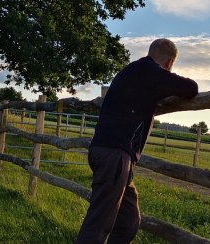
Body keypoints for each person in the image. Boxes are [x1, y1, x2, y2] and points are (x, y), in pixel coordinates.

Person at [75, 38, 199, 244]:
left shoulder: (133, 71)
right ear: (169, 62)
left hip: (112, 153)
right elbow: (190, 88)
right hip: (115, 155)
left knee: (128, 221)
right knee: (98, 224)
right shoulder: (150, 72)